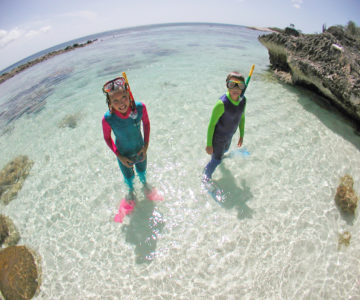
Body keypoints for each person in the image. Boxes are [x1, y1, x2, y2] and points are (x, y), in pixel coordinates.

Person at [102, 76, 150, 197]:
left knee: (142, 173)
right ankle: (131, 193)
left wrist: (145, 147)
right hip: (123, 155)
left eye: (123, 97)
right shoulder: (108, 119)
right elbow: (107, 138)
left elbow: (146, 124)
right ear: (110, 103)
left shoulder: (140, 108)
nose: (121, 103)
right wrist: (119, 156)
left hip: (140, 151)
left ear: (129, 95)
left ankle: (145, 187)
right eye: (115, 101)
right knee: (129, 178)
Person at [203, 71, 247, 180]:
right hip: (218, 138)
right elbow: (211, 125)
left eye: (239, 85)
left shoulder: (243, 101)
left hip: (229, 136)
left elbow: (242, 117)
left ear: (243, 88)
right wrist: (209, 144)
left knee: (225, 150)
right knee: (216, 160)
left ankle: (219, 155)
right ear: (227, 85)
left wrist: (241, 135)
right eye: (232, 85)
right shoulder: (221, 104)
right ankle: (205, 177)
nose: (236, 89)